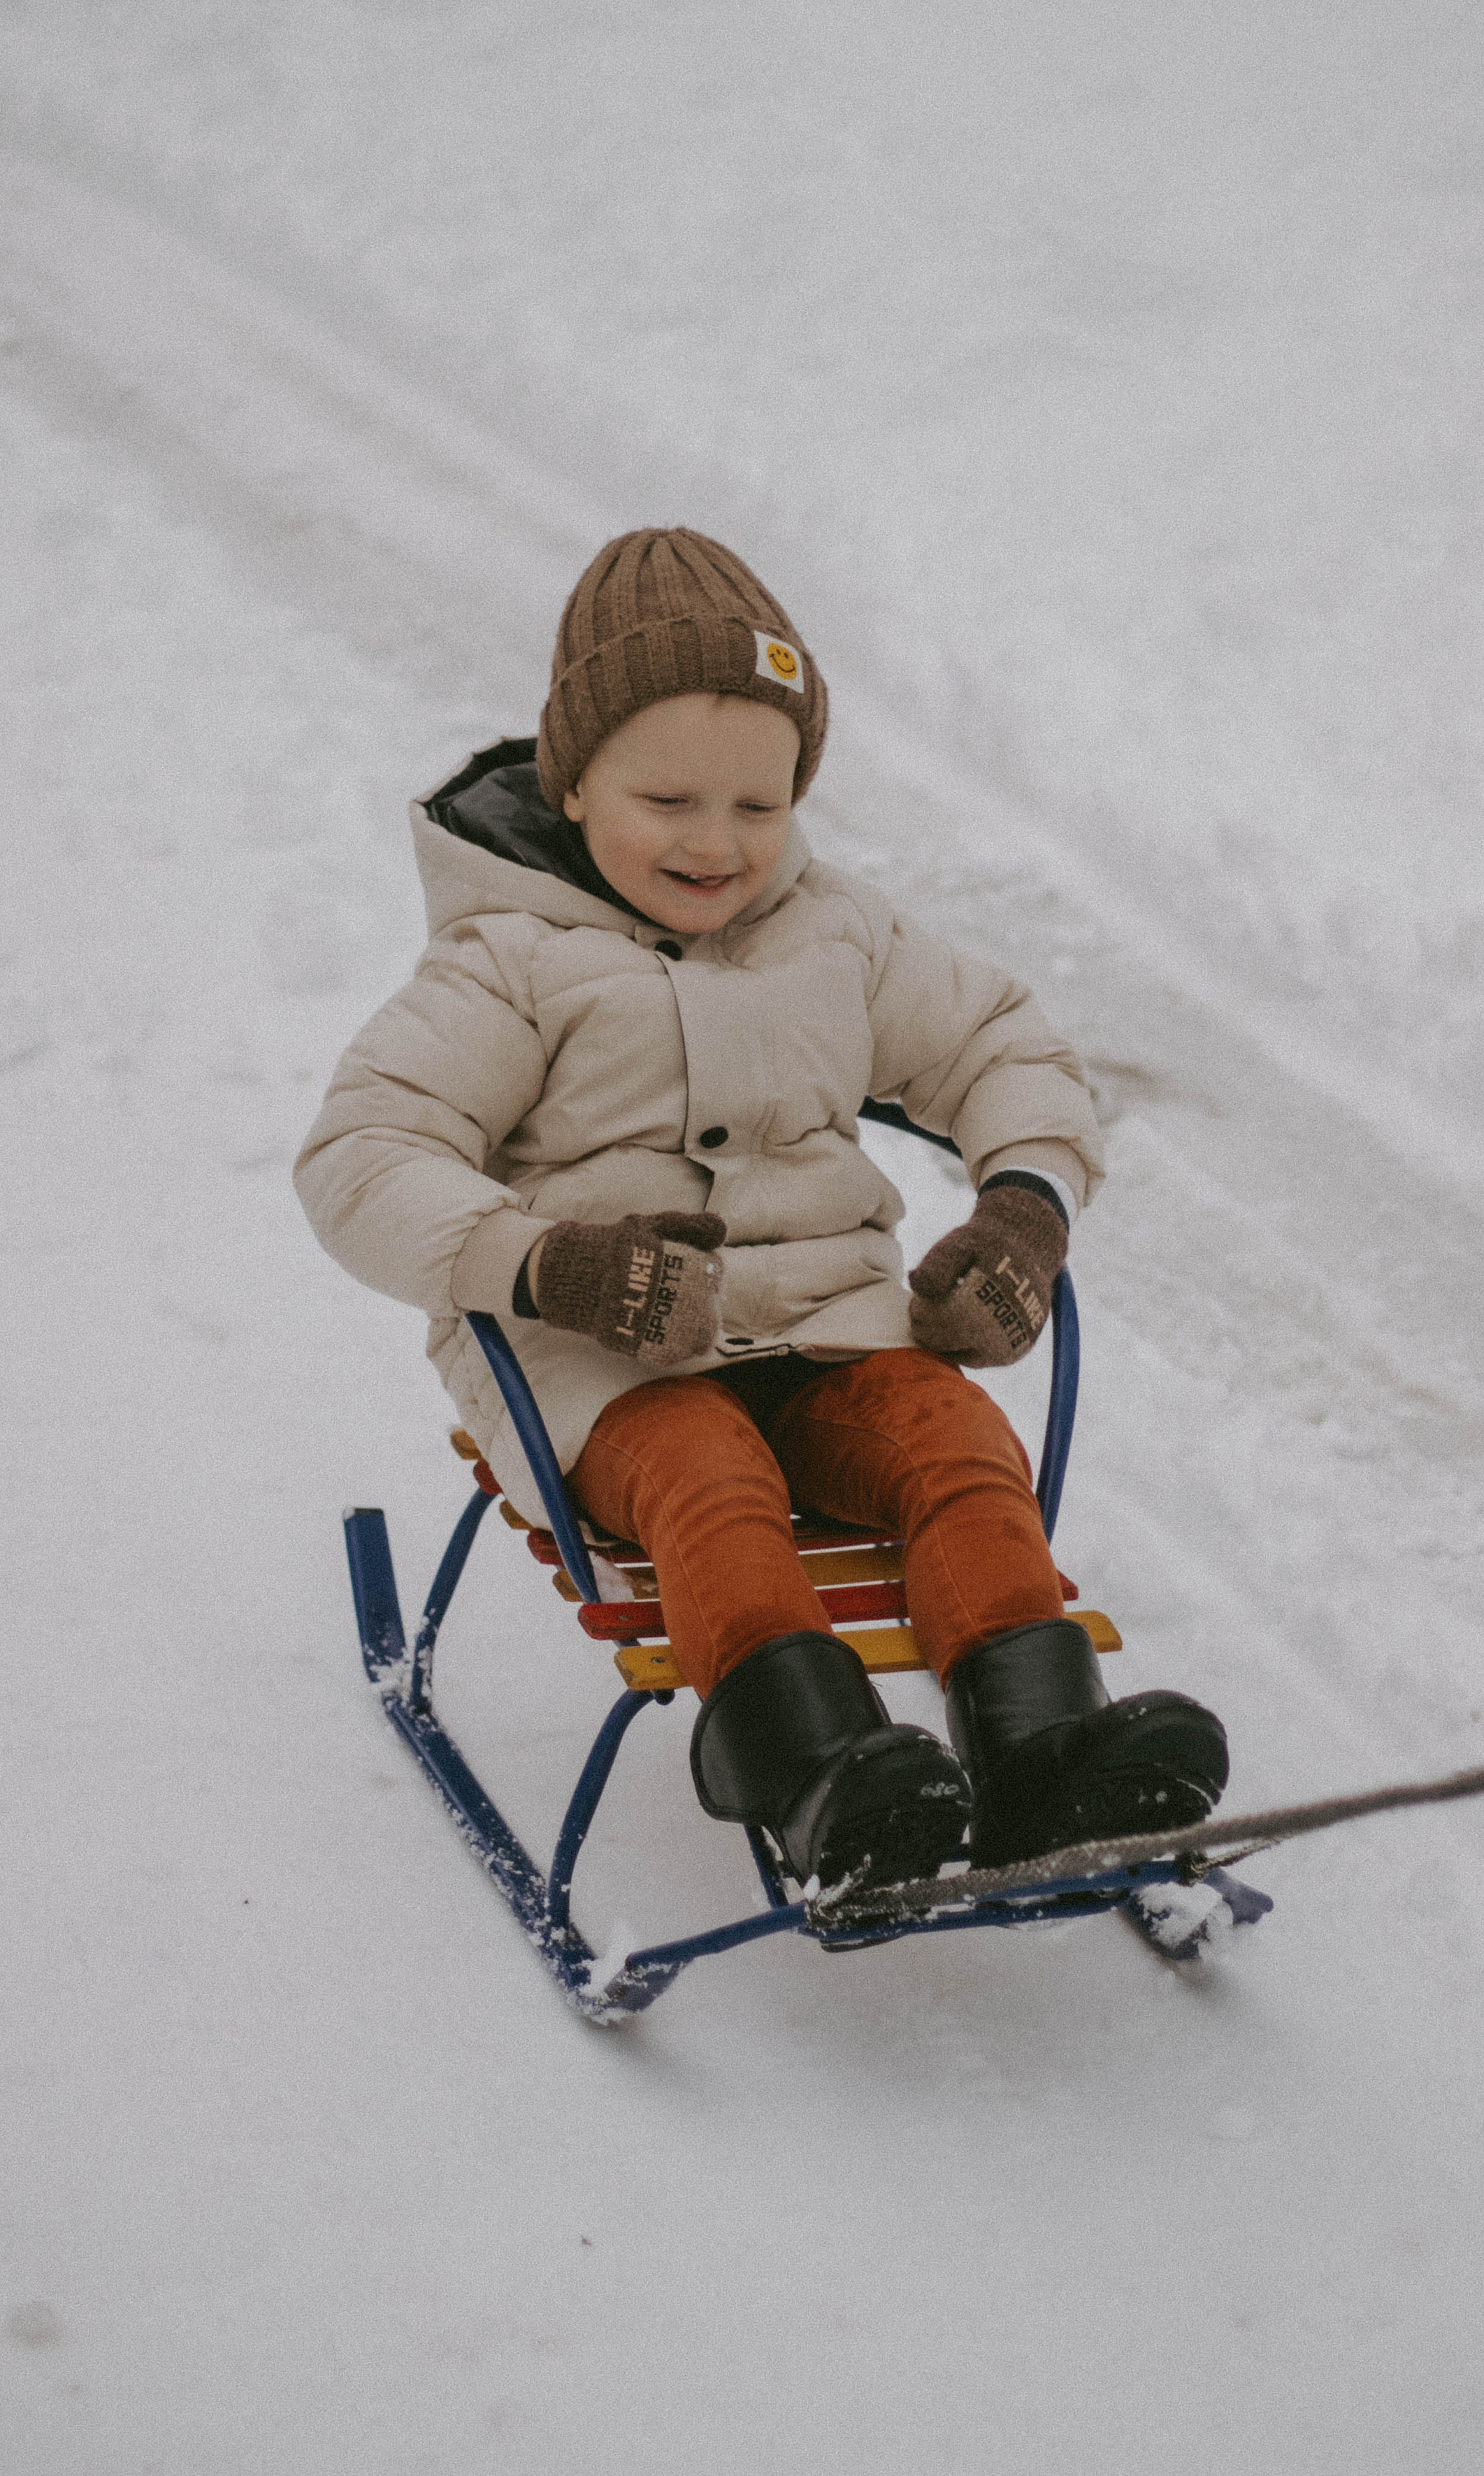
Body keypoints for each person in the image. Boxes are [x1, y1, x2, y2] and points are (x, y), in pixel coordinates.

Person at [297, 528, 1227, 1896]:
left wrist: (1023, 1206)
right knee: (708, 1478)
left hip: (833, 1333)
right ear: (571, 780)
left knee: (952, 1441)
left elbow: (1004, 1050)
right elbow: (363, 1157)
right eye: (666, 798)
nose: (715, 844)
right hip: (603, 1367)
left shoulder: (834, 929)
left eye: (759, 804)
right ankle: (804, 1770)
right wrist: (547, 1265)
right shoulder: (507, 962)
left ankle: (1039, 1747)